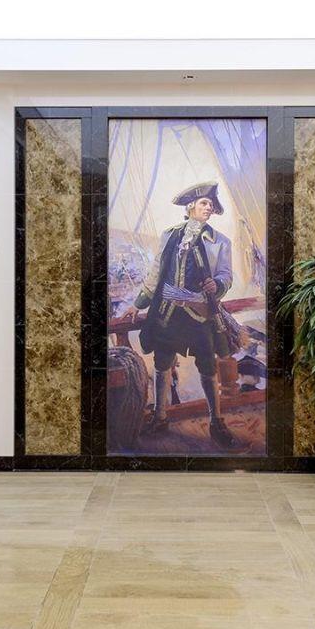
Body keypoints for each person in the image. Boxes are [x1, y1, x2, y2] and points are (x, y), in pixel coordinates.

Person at [121, 180, 238, 447]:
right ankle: (160, 416)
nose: (209, 208)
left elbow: (226, 276)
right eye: (204, 203)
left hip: (200, 315)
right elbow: (156, 273)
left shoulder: (221, 242)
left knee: (207, 365)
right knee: (162, 362)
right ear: (191, 207)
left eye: (211, 204)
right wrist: (138, 304)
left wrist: (217, 285)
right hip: (168, 314)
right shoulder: (170, 235)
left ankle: (216, 422)